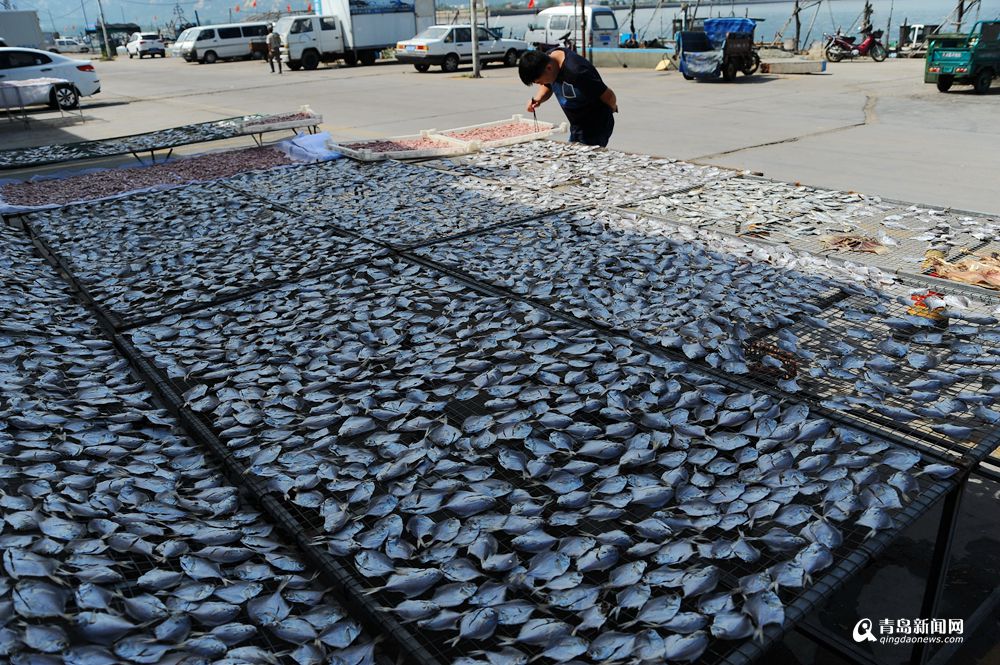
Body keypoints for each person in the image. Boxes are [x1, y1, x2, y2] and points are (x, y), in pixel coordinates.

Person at [520, 48, 618, 147]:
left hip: (596, 126)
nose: (540, 84)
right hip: (577, 125)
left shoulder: (577, 71)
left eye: (539, 81)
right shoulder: (547, 61)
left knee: (584, 159)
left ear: (549, 68)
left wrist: (612, 108)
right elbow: (547, 85)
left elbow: (608, 95)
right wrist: (538, 98)